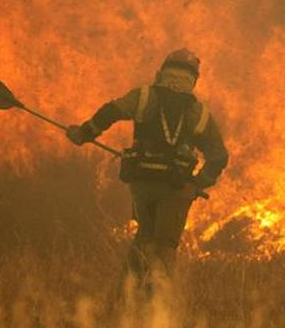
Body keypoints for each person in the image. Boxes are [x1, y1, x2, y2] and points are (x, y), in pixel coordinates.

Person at [66, 49, 228, 281]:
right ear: (193, 79)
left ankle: (129, 297)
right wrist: (197, 184)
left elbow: (111, 111)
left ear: (162, 72)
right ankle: (158, 306)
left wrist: (84, 133)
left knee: (145, 238)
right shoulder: (198, 112)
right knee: (165, 247)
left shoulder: (144, 96)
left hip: (142, 185)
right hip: (176, 189)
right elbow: (219, 156)